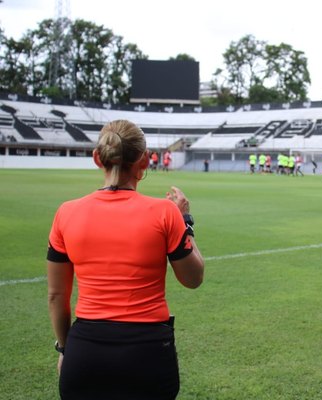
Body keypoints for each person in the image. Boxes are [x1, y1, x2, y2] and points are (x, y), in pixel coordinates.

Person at [47, 119, 205, 399]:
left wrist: (64, 349)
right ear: (145, 161)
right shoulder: (166, 213)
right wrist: (185, 222)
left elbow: (57, 295)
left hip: (85, 352)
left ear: (98, 158)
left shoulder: (66, 213)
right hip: (148, 353)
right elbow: (193, 278)